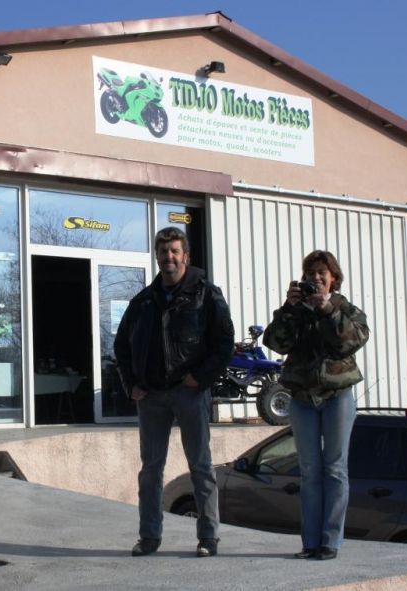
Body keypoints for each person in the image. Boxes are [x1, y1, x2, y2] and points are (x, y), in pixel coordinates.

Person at [114, 226, 234, 558]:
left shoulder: (207, 295)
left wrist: (202, 377)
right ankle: (149, 537)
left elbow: (224, 343)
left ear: (186, 256)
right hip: (151, 396)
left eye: (174, 251)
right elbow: (121, 345)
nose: (169, 257)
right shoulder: (143, 301)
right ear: (157, 256)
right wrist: (130, 383)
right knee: (150, 470)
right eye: (163, 251)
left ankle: (208, 538)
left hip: (190, 393)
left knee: (201, 466)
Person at [263, 250, 369, 561]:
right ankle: (310, 543)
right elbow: (275, 343)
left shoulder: (345, 308)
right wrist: (288, 309)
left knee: (335, 469)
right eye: (311, 273)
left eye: (322, 272)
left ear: (334, 278)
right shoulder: (297, 310)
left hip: (337, 397)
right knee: (309, 471)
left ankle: (330, 542)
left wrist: (327, 310)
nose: (316, 278)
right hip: (302, 399)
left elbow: (351, 341)